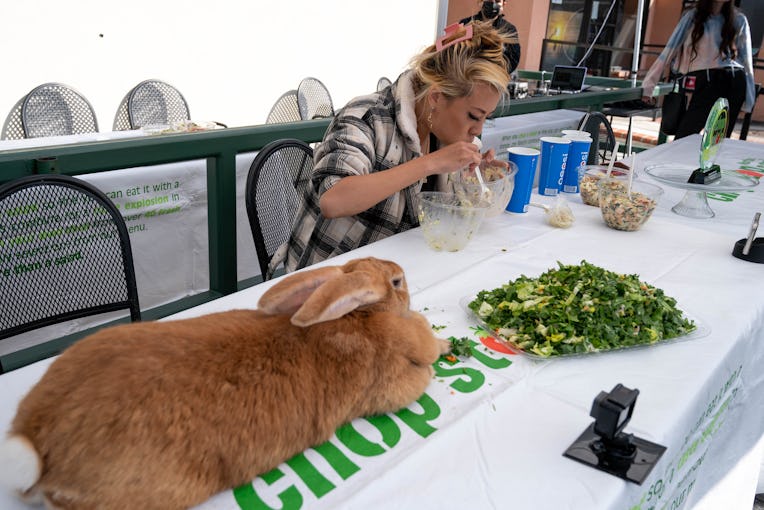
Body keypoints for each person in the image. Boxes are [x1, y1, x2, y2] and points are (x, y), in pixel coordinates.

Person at [278, 21, 512, 273]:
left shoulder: (444, 132)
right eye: (473, 117)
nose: (477, 131)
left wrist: (474, 180)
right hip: (325, 277)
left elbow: (442, 215)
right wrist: (429, 163)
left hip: (395, 272)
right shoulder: (366, 117)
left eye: (485, 118)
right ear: (435, 98)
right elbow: (333, 200)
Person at [641, 0, 754, 139]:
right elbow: (670, 49)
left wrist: (749, 100)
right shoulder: (693, 16)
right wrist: (649, 84)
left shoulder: (739, 19)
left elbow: (746, 61)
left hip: (735, 81)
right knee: (685, 136)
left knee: (717, 142)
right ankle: (682, 161)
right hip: (710, 80)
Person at [460, 0, 521, 74]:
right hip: (467, 76)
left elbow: (513, 60)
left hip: (494, 78)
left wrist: (496, 74)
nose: (493, 4)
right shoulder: (466, 24)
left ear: (503, 4)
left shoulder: (508, 29)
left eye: (497, 1)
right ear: (480, 1)